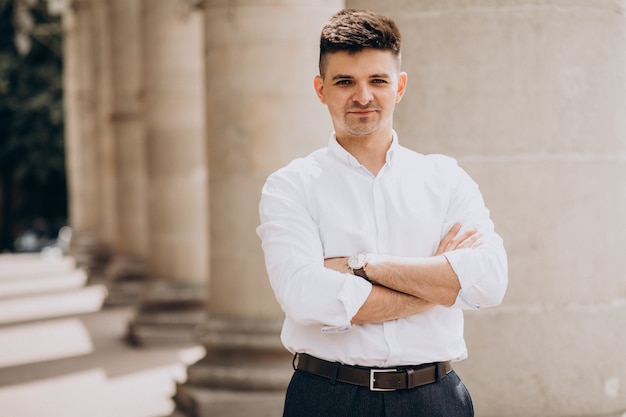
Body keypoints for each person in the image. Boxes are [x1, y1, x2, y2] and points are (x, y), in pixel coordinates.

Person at [256, 9, 508, 417]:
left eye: (377, 80)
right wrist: (437, 283)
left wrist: (362, 265)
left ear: (400, 86)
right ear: (321, 89)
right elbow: (304, 297)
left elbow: (490, 280)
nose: (363, 96)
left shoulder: (444, 177)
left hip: (436, 397)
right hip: (328, 397)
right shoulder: (291, 186)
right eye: (344, 82)